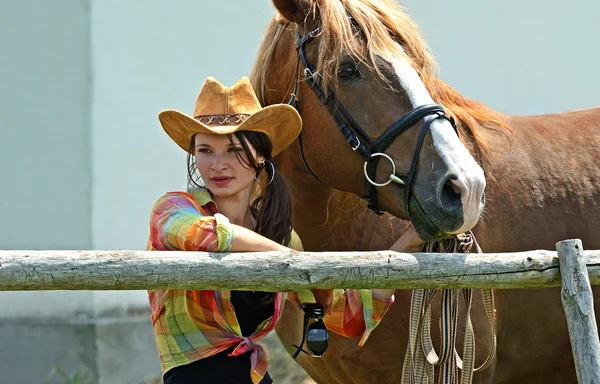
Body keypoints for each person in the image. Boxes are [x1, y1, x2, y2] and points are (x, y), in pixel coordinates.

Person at [147, 76, 425, 384]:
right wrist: (288, 257)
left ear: (261, 155)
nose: (218, 164)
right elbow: (207, 236)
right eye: (206, 150)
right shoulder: (172, 210)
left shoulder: (281, 237)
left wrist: (410, 242)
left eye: (234, 149)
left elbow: (348, 316)